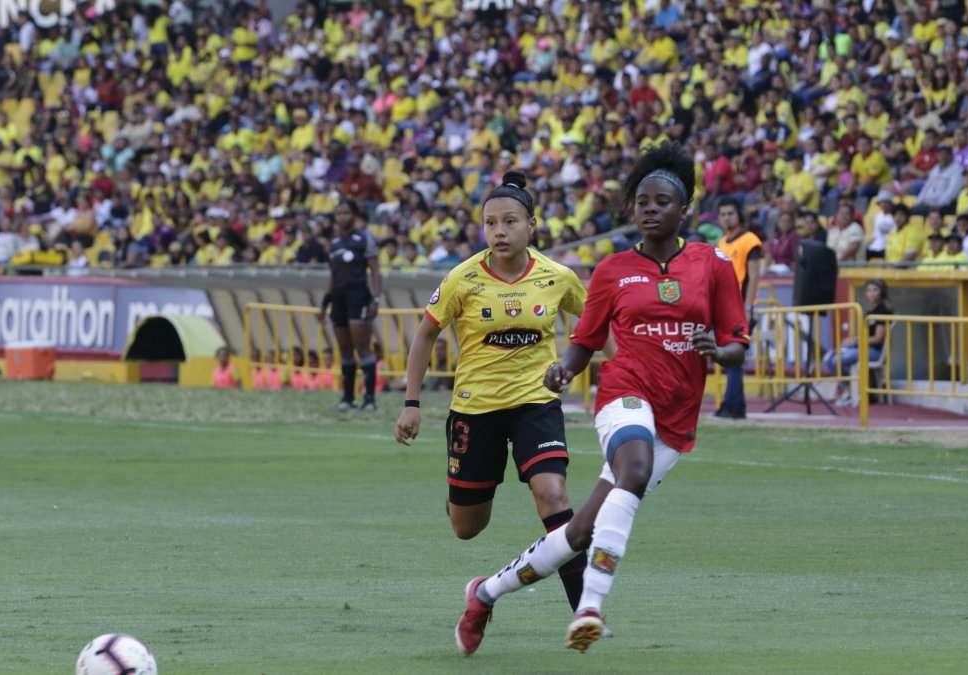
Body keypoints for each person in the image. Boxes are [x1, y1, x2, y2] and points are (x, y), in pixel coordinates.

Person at [451, 143, 748, 655]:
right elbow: (586, 340)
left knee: (582, 529)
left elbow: (738, 342)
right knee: (631, 470)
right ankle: (589, 607)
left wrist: (719, 353)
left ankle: (486, 592)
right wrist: (565, 370)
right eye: (641, 201)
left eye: (661, 201)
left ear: (685, 210)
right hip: (626, 391)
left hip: (678, 417)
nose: (649, 209)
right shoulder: (612, 271)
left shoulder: (714, 264)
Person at [394, 170, 594, 622]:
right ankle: (458, 496)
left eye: (509, 222)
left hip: (535, 404)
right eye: (490, 223)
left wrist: (598, 371)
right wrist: (411, 404)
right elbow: (425, 335)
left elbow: (595, 321)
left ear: (532, 225)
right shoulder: (462, 279)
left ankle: (586, 611)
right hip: (475, 410)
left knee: (553, 494)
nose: (499, 231)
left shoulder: (557, 276)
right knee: (468, 528)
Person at [317, 199, 383, 411]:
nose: (341, 217)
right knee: (345, 349)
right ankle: (348, 398)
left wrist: (376, 298)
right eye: (338, 213)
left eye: (345, 213)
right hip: (338, 299)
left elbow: (374, 270)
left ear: (354, 216)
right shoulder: (334, 243)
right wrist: (324, 303)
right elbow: (333, 276)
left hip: (358, 297)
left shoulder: (364, 239)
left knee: (363, 348)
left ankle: (370, 399)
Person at [714, 197, 762, 419]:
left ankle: (730, 406)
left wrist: (748, 307)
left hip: (740, 308)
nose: (726, 217)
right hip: (725, 307)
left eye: (730, 213)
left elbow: (753, 276)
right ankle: (736, 406)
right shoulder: (723, 242)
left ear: (739, 215)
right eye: (723, 214)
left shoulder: (750, 240)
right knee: (732, 360)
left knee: (733, 358)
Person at [821, 279, 892, 405]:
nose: (871, 293)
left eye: (875, 290)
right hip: (863, 348)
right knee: (829, 357)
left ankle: (852, 393)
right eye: (869, 290)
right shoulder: (870, 312)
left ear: (882, 293)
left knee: (838, 360)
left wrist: (856, 341)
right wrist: (851, 343)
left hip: (875, 351)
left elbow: (877, 339)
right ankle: (850, 390)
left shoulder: (883, 311)